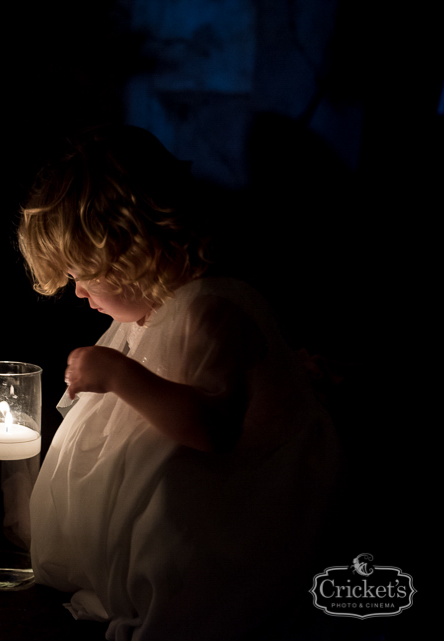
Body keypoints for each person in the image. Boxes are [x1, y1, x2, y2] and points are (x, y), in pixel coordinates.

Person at [18, 125, 339, 640]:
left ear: (131, 252)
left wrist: (121, 375)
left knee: (173, 495)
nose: (77, 292)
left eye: (83, 273)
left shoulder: (212, 310)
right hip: (212, 456)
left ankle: (176, 592)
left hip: (247, 493)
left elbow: (213, 429)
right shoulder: (154, 311)